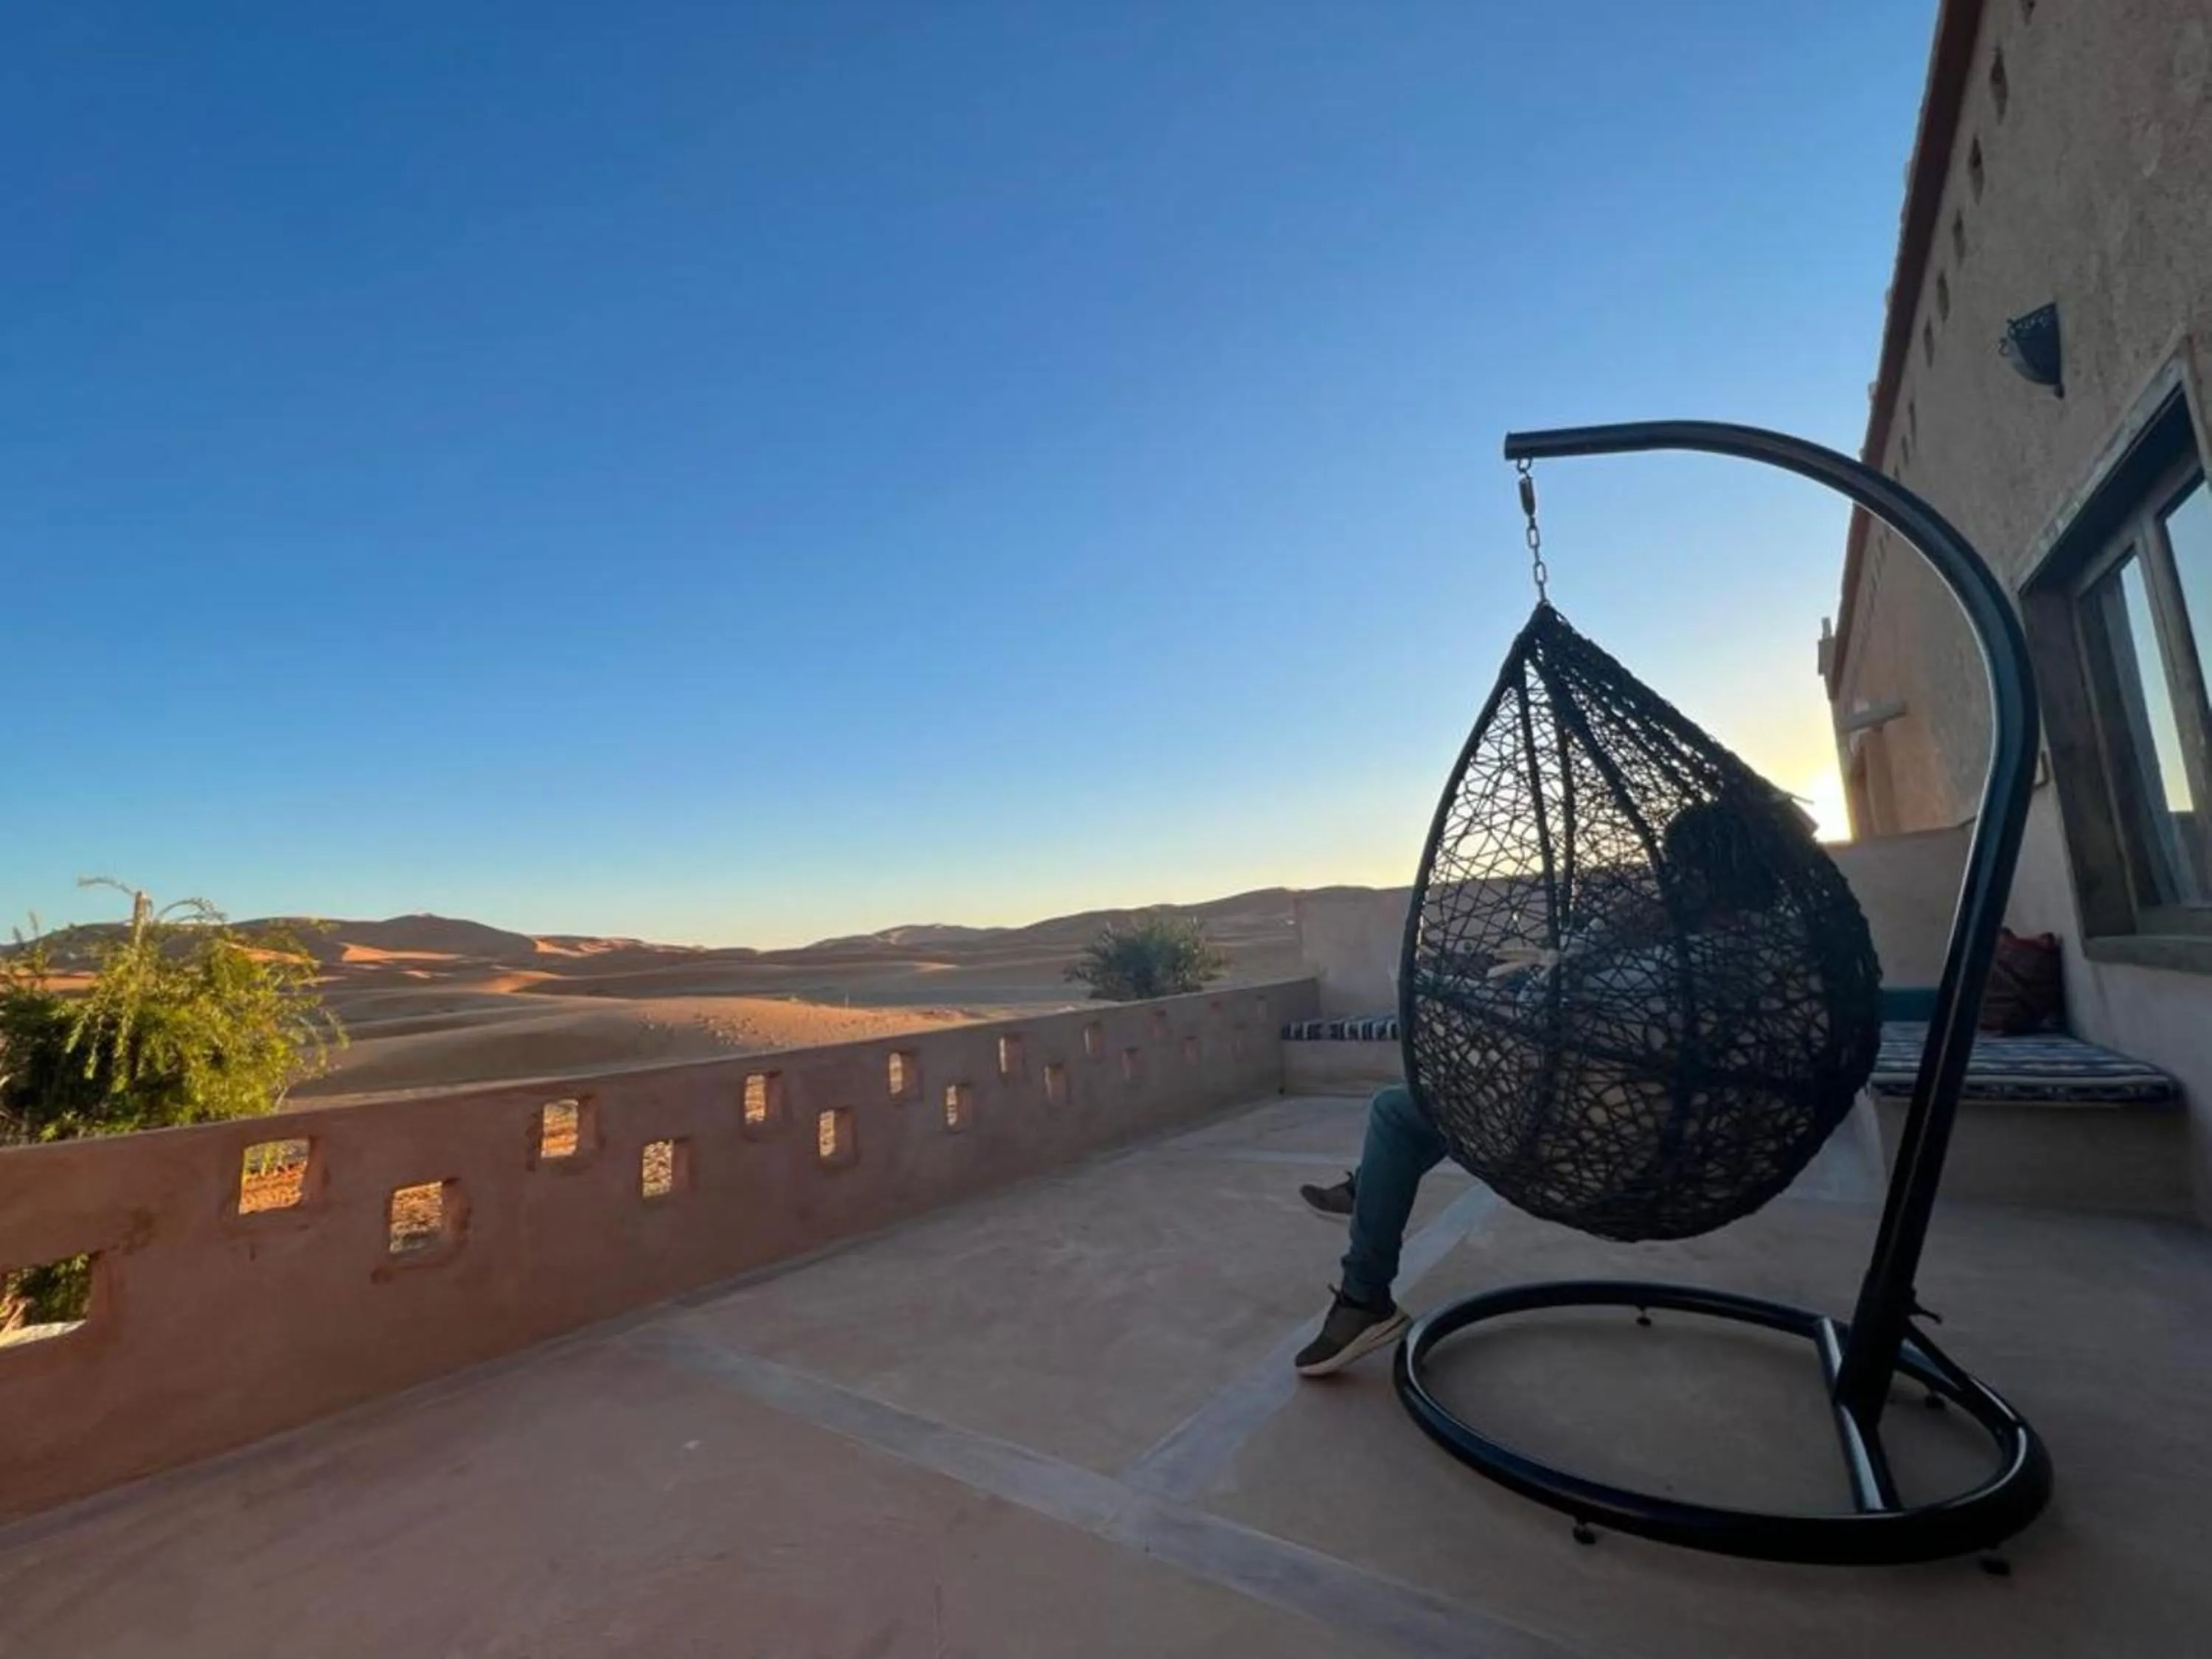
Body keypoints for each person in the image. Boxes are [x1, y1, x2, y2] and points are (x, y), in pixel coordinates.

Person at [1289, 796, 1788, 1377]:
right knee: (1458, 1090)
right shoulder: (1744, 951)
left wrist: (1602, 934)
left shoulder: (1691, 962)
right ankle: (1366, 1189)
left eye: (1678, 869)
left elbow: (1542, 1008)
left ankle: (1364, 1295)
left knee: (1399, 1109)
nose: (1667, 880)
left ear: (1703, 878)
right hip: (1632, 1117)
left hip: (1588, 1140)